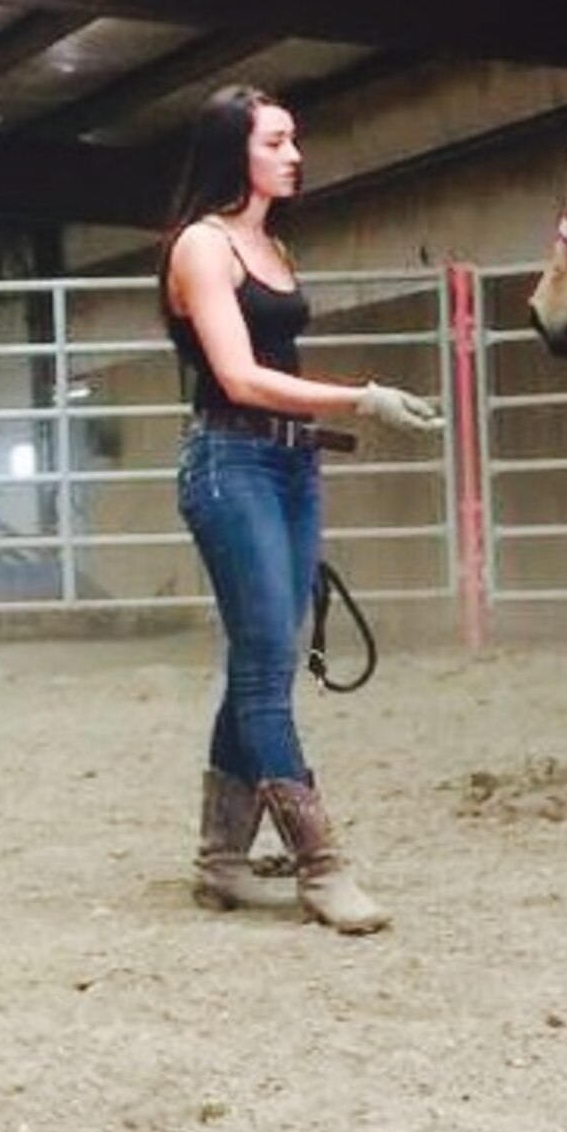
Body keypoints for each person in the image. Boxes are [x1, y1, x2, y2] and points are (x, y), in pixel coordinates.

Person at [161, 83, 442, 934]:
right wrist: (360, 397)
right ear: (234, 151)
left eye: (293, 141)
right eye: (276, 141)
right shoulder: (203, 248)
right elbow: (240, 376)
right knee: (262, 664)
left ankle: (221, 859)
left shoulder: (271, 245)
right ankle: (321, 866)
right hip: (230, 461)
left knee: (265, 660)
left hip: (286, 465)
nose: (293, 154)